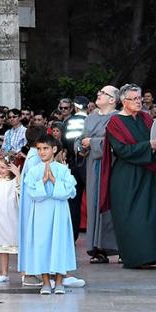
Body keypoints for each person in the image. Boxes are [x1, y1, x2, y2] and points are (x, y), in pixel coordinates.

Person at [101, 84, 156, 269]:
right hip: (127, 177)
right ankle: (137, 258)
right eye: (134, 99)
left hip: (149, 173)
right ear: (124, 101)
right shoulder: (115, 122)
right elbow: (122, 150)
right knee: (133, 217)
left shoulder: (146, 118)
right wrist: (149, 146)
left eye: (139, 98)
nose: (139, 102)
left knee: (153, 215)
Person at [18, 128, 77, 294]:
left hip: (59, 212)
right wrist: (43, 182)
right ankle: (45, 282)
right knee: (42, 244)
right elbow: (31, 193)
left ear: (54, 149)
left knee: (59, 243)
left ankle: (59, 282)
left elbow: (70, 192)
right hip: (41, 213)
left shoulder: (63, 170)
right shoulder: (34, 170)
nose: (42, 152)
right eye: (39, 149)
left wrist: (54, 181)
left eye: (45, 148)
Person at [82, 86, 120, 263]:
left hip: (110, 166)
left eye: (103, 93)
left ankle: (116, 246)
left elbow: (116, 141)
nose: (98, 94)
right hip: (92, 165)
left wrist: (93, 142)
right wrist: (80, 146)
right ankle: (96, 248)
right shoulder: (90, 118)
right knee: (93, 204)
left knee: (110, 204)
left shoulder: (118, 118)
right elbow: (81, 137)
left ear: (112, 100)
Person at [62, 96, 89, 236]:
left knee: (74, 200)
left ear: (76, 107)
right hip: (89, 163)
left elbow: (64, 143)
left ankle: (72, 235)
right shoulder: (91, 120)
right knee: (93, 201)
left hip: (73, 164)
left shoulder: (68, 122)